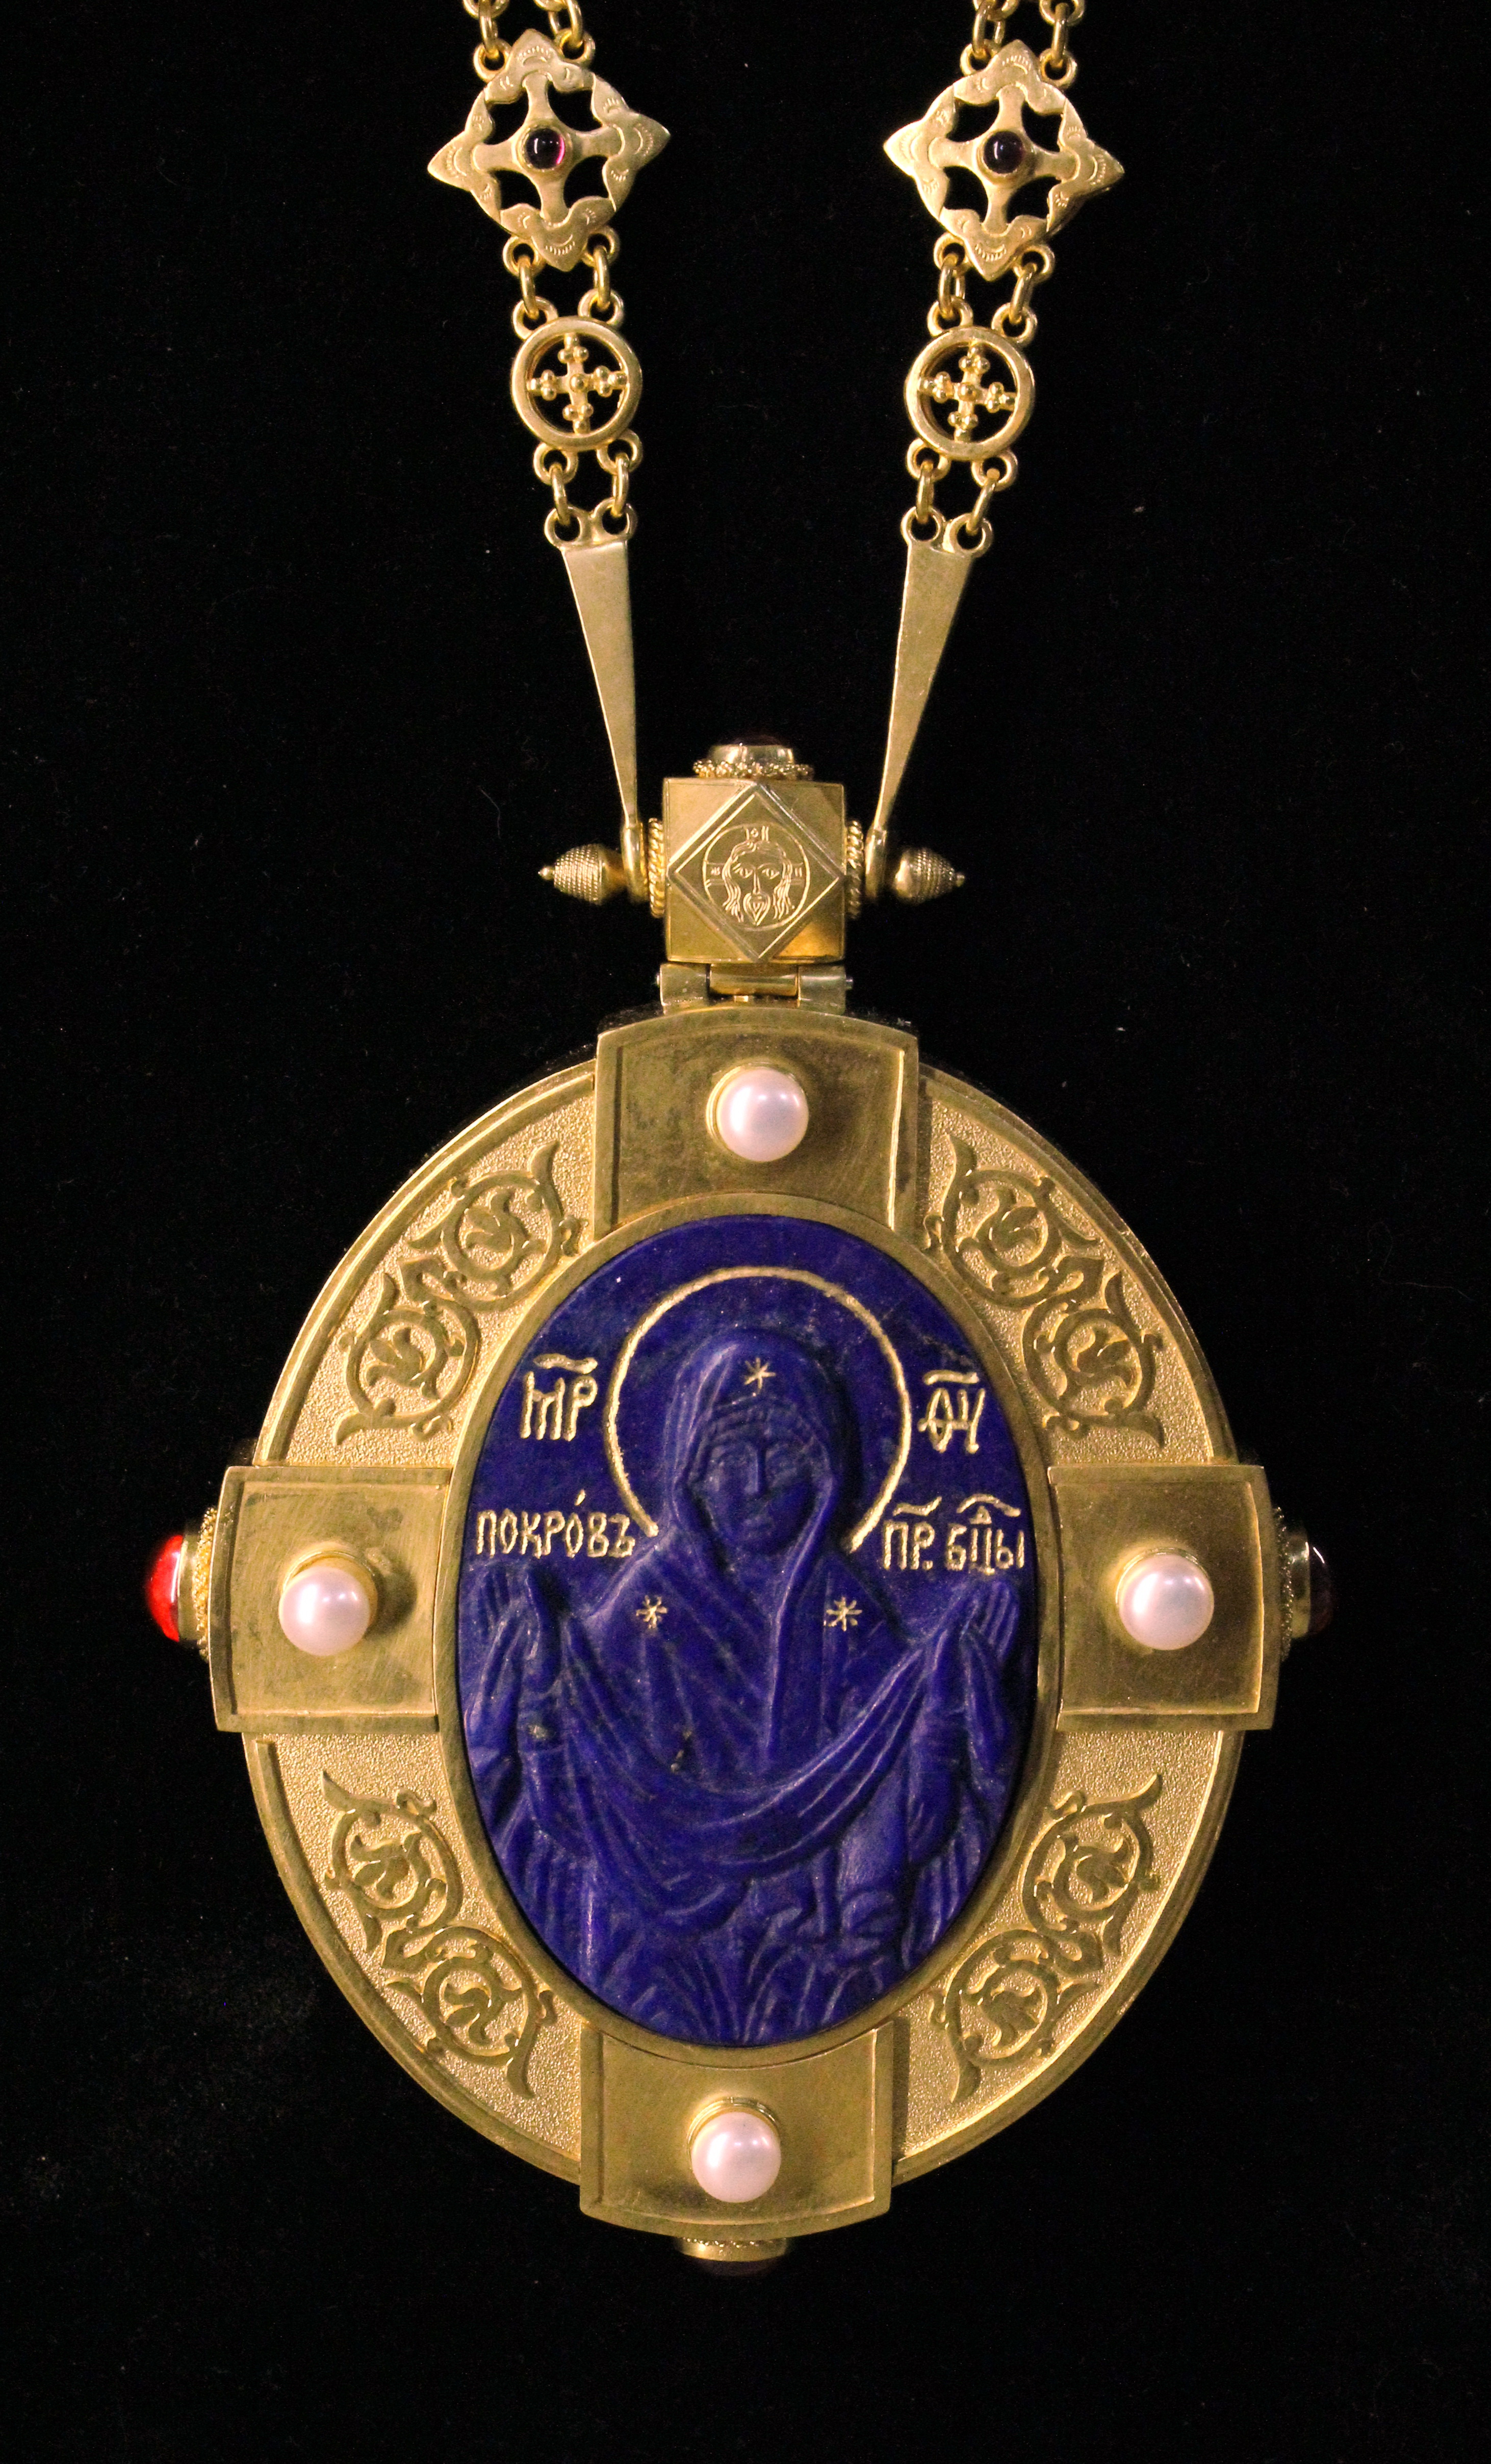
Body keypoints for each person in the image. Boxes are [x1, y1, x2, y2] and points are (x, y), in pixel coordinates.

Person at [461, 1328, 1029, 2044]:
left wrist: (946, 1697)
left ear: (824, 1474)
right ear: (691, 1474)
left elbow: (909, 1813)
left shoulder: (843, 1612)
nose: (757, 1483)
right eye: (732, 1456)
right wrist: (542, 1679)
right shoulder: (648, 1605)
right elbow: (579, 1802)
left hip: (813, 1956)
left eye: (783, 1455)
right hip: (655, 1945)